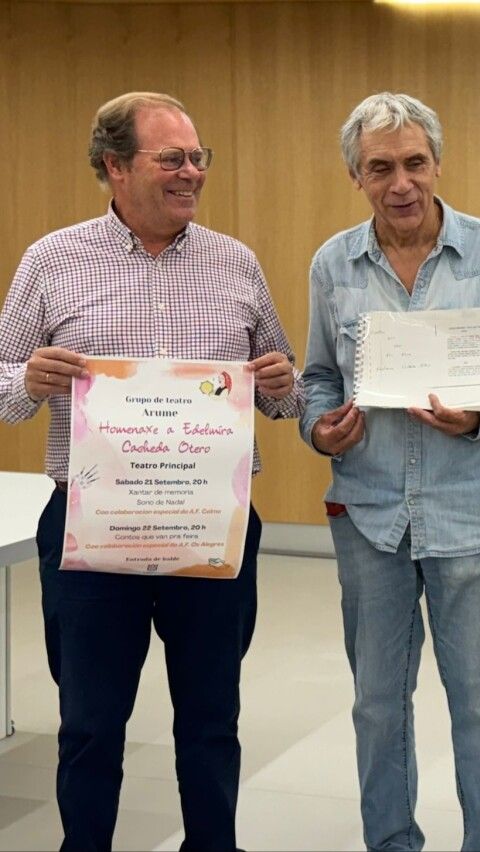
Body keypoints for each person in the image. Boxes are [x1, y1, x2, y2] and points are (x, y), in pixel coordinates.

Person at [0, 91, 303, 849]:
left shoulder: (236, 262)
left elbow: (284, 388)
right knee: (92, 725)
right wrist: (26, 382)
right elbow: (3, 378)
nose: (192, 172)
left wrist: (279, 384)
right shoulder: (52, 259)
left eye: (199, 157)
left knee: (211, 722)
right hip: (91, 532)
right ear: (114, 167)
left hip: (211, 529)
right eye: (172, 158)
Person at [300, 92, 480, 852]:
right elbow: (317, 375)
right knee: (378, 706)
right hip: (369, 515)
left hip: (469, 516)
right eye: (382, 168)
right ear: (357, 176)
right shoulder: (332, 264)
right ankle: (391, 844)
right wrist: (322, 426)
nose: (401, 182)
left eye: (415, 163)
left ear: (438, 164)